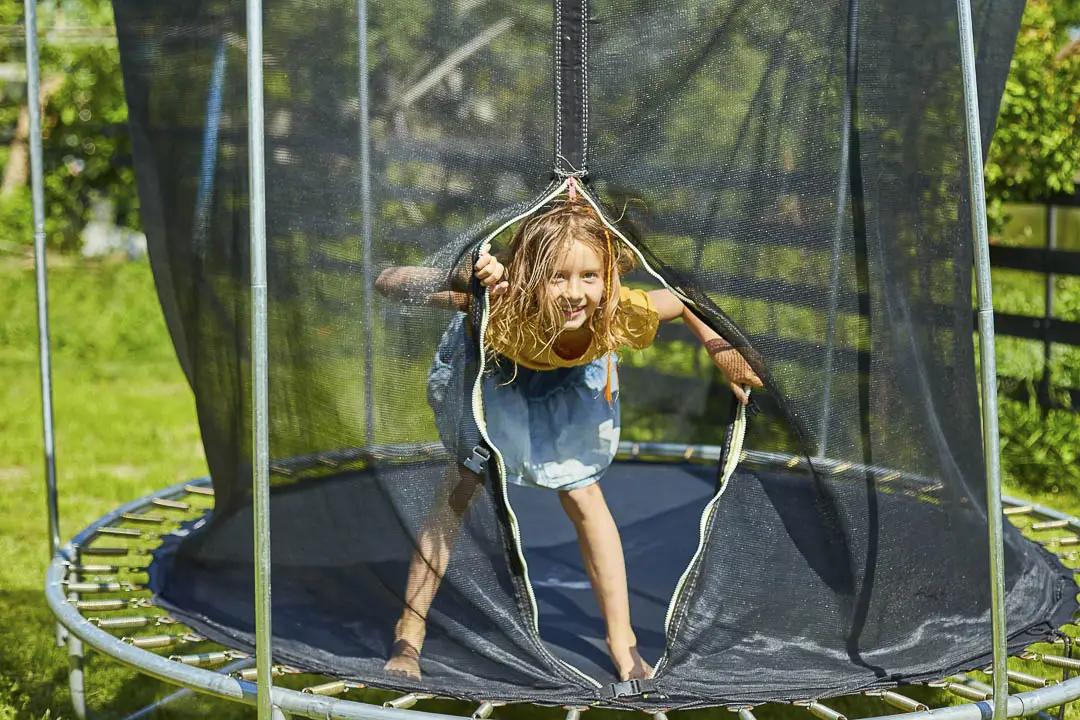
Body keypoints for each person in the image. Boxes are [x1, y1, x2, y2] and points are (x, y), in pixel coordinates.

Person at [374, 181, 762, 683]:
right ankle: (410, 632)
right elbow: (389, 280)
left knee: (584, 495)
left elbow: (682, 300)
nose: (575, 292)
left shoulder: (618, 311)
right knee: (462, 484)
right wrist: (466, 276)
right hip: (495, 376)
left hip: (569, 380)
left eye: (589, 276)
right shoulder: (505, 301)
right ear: (530, 276)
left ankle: (624, 647)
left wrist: (717, 346)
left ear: (608, 278)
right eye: (557, 277)